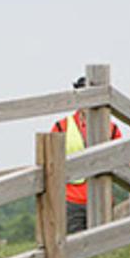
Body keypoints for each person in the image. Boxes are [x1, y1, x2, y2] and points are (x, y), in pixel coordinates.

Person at [50, 76, 122, 233]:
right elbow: (50, 165)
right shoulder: (61, 126)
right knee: (76, 248)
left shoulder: (112, 128)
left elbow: (122, 161)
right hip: (71, 200)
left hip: (103, 197)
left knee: (103, 247)